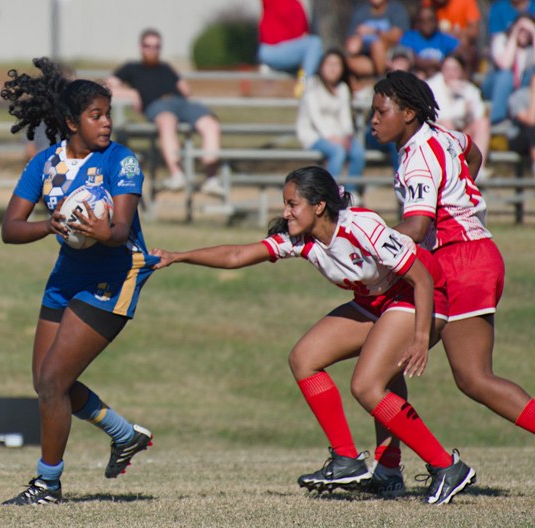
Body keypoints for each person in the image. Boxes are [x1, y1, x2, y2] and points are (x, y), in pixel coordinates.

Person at [151, 166, 476, 505]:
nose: (285, 212)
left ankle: (446, 467)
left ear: (319, 206)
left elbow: (422, 279)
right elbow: (238, 255)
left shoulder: (360, 227)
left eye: (292, 204)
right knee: (304, 358)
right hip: (375, 301)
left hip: (420, 297)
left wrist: (421, 336)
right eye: (285, 204)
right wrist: (178, 256)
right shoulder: (302, 240)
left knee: (367, 386)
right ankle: (348, 459)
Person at [0, 57, 159, 505]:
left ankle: (47, 484)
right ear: (71, 121)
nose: (107, 123)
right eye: (96, 115)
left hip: (114, 273)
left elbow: (121, 233)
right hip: (67, 275)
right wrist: (49, 227)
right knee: (47, 382)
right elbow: (10, 228)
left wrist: (98, 232)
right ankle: (124, 434)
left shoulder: (121, 161)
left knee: (53, 382)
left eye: (109, 113)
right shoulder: (45, 164)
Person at [371, 69, 535, 487]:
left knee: (473, 378)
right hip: (475, 253)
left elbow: (417, 226)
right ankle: (389, 469)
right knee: (387, 360)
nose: (372, 119)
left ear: (407, 113)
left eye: (380, 111)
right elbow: (473, 151)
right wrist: (462, 197)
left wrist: (368, 238)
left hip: (459, 260)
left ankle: (415, 469)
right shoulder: (439, 134)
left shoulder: (417, 160)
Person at [107, 28, 224, 196]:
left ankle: (212, 178)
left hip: (181, 103)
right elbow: (108, 87)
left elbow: (185, 90)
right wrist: (132, 93)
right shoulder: (131, 68)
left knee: (211, 124)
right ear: (141, 47)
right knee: (167, 121)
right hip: (157, 106)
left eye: (156, 46)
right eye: (148, 46)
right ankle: (177, 174)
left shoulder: (166, 68)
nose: (152, 50)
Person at [296, 50, 365, 199]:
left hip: (340, 136)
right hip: (313, 136)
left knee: (358, 152)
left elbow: (345, 117)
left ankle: (351, 194)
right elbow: (315, 118)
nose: (333, 68)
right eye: (329, 64)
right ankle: (330, 196)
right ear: (321, 66)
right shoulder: (312, 86)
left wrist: (347, 135)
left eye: (337, 64)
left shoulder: (343, 88)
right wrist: (331, 137)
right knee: (337, 152)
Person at [427, 53, 491, 179]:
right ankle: (453, 167)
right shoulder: (432, 86)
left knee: (483, 123)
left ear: (461, 71)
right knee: (447, 124)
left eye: (455, 69)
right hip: (439, 135)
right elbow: (440, 116)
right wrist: (462, 110)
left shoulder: (468, 89)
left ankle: (478, 169)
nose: (451, 73)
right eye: (447, 69)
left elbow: (479, 113)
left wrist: (465, 98)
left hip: (462, 134)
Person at [256, 0, 323, 95]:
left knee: (313, 54)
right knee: (315, 43)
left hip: (288, 54)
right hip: (271, 49)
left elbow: (304, 34)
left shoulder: (297, 5)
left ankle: (275, 69)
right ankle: (304, 83)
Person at [484, 1, 535, 124]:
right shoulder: (501, 39)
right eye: (521, 29)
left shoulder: (530, 49)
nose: (524, 33)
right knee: (506, 75)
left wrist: (533, 32)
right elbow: (505, 65)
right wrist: (514, 34)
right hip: (494, 85)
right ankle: (497, 119)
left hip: (520, 91)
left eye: (526, 31)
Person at [345, 0, 410, 81]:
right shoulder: (361, 11)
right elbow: (351, 43)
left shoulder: (396, 9)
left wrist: (375, 31)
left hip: (393, 53)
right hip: (368, 57)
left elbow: (397, 36)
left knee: (377, 45)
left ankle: (382, 79)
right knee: (347, 60)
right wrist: (357, 39)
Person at [400, 5, 460, 79]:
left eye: (430, 19)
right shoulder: (409, 37)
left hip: (442, 78)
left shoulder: (444, 38)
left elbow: (459, 54)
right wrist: (435, 63)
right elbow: (412, 59)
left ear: (436, 21)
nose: (427, 23)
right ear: (417, 22)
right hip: (416, 77)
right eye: (422, 20)